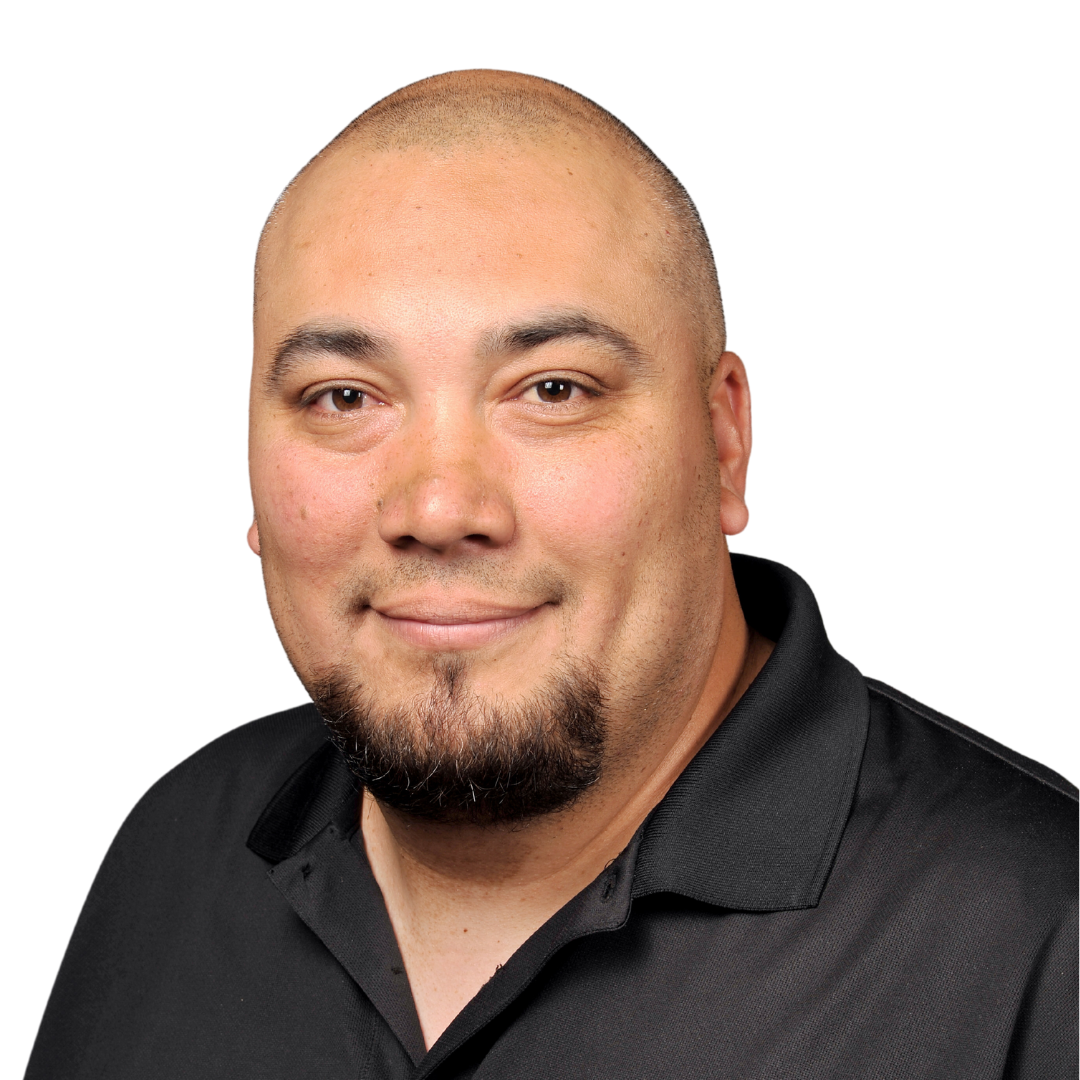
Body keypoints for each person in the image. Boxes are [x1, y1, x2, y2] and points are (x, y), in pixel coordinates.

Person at [26, 70, 1076, 1080]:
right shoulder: (179, 850)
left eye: (554, 390)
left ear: (723, 441)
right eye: (344, 398)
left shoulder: (1042, 943)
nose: (439, 509)